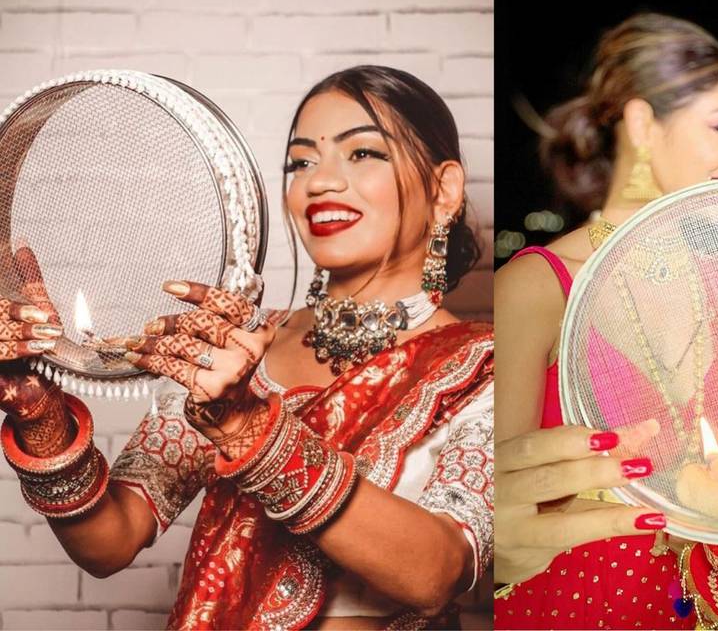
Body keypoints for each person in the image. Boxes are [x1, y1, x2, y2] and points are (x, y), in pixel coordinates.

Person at [0, 65, 493, 629]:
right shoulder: (236, 350)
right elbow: (109, 543)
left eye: (363, 154)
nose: (319, 181)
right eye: (301, 161)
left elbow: (437, 574)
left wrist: (250, 430)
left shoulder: (477, 363)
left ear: (444, 188)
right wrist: (40, 412)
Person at [495, 13, 718, 629]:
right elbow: (494, 509)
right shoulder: (534, 289)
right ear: (642, 125)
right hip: (569, 603)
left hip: (709, 599)